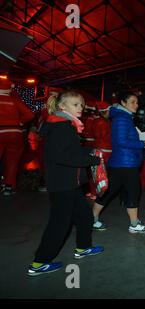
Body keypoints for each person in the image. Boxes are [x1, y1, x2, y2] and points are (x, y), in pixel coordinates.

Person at [28, 91, 103, 276]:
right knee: (59, 224)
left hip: (69, 182)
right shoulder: (63, 127)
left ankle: (83, 248)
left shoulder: (63, 125)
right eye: (75, 105)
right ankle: (40, 263)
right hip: (63, 184)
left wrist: (89, 151)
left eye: (81, 105)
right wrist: (91, 160)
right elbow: (62, 156)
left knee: (85, 216)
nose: (80, 108)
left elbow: (67, 150)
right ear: (63, 107)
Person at [91, 92, 145, 233]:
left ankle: (92, 219)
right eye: (132, 102)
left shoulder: (122, 117)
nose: (136, 105)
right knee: (133, 192)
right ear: (123, 103)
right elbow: (121, 141)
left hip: (121, 162)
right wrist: (142, 144)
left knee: (109, 192)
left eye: (136, 102)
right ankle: (134, 224)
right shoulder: (123, 118)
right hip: (126, 163)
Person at [0, 77, 34, 195]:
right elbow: (30, 114)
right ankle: (8, 187)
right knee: (13, 161)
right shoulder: (14, 100)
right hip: (15, 133)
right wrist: (19, 122)